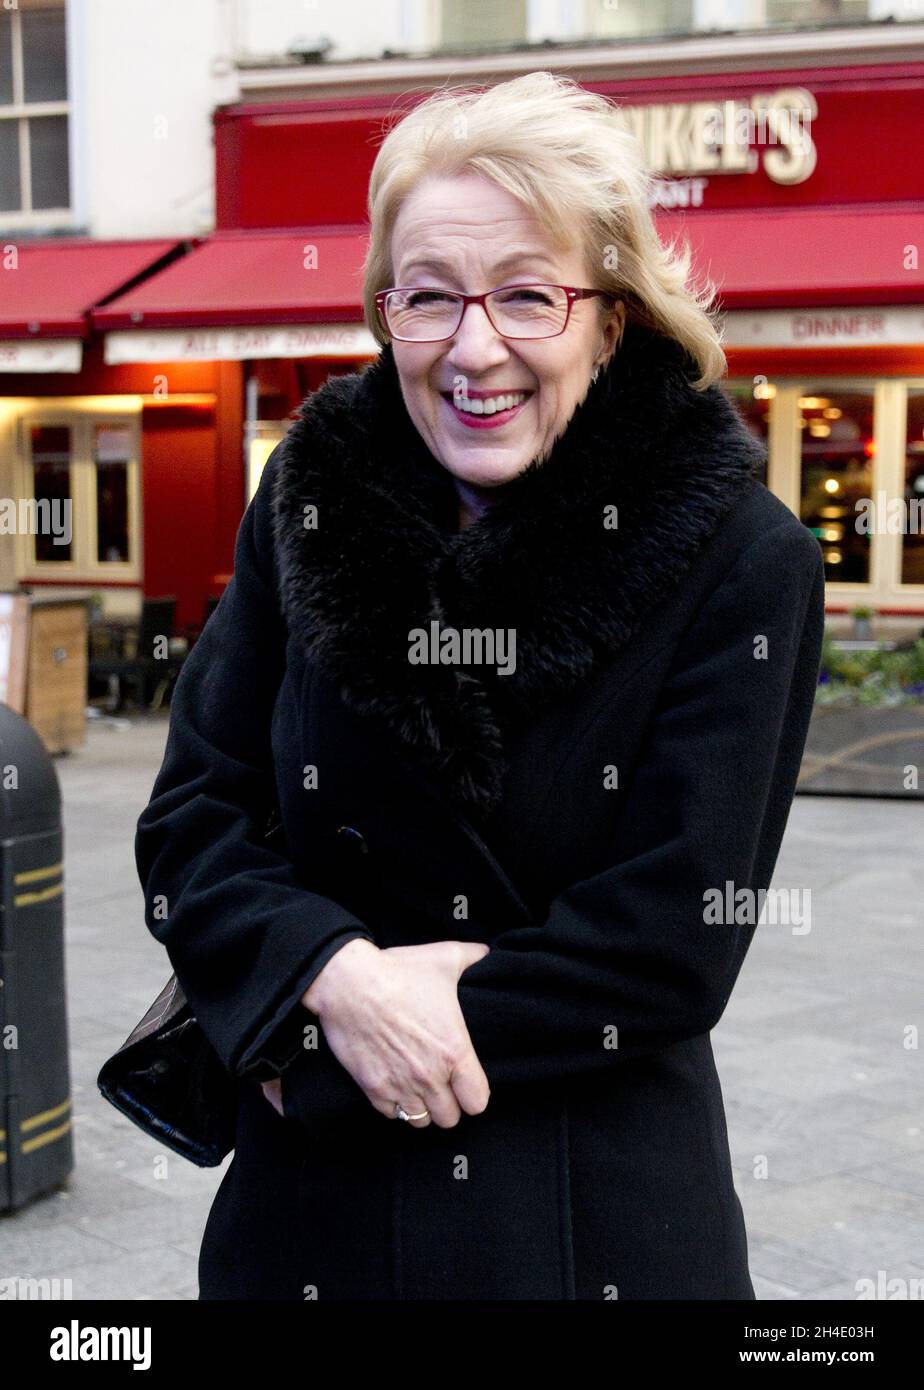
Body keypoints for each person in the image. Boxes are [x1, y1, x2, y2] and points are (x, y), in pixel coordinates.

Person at [134, 71, 825, 1301]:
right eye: (431, 298)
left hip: (583, 1216)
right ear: (385, 311)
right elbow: (195, 818)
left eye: (527, 296)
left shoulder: (741, 555)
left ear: (611, 318)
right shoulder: (307, 496)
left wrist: (345, 1060)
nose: (474, 346)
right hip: (311, 1223)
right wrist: (329, 976)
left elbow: (669, 943)